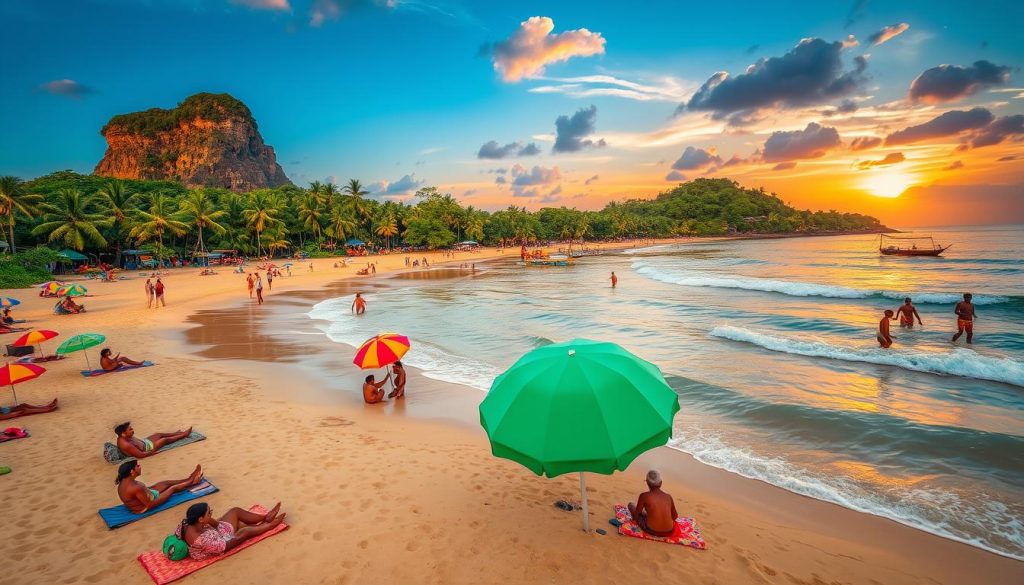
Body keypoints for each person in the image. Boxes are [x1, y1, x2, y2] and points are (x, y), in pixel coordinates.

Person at [176, 501, 286, 562]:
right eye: (209, 513)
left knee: (235, 511)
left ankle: (265, 517)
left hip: (213, 532)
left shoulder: (186, 523)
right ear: (200, 519)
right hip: (221, 541)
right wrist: (243, 534)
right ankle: (270, 525)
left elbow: (177, 535)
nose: (211, 514)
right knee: (245, 530)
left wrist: (216, 523)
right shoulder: (202, 541)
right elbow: (228, 545)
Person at [115, 460, 203, 514]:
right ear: (132, 471)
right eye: (137, 466)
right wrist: (167, 493)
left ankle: (189, 479)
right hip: (145, 507)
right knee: (172, 488)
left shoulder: (125, 480)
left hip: (148, 495)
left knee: (164, 483)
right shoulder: (134, 488)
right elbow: (149, 505)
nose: (140, 466)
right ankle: (192, 482)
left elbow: (140, 492)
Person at [628, 470, 678, 538]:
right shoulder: (668, 496)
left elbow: (635, 517)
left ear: (647, 482)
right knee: (647, 513)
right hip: (669, 531)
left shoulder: (644, 496)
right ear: (661, 483)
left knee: (631, 505)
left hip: (652, 530)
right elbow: (674, 517)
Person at [114, 421, 192, 458]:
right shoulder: (126, 445)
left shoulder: (123, 436)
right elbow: (140, 455)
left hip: (145, 442)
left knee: (158, 434)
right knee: (164, 440)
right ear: (123, 433)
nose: (133, 430)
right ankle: (183, 435)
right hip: (148, 448)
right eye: (130, 430)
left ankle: (177, 433)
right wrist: (153, 452)